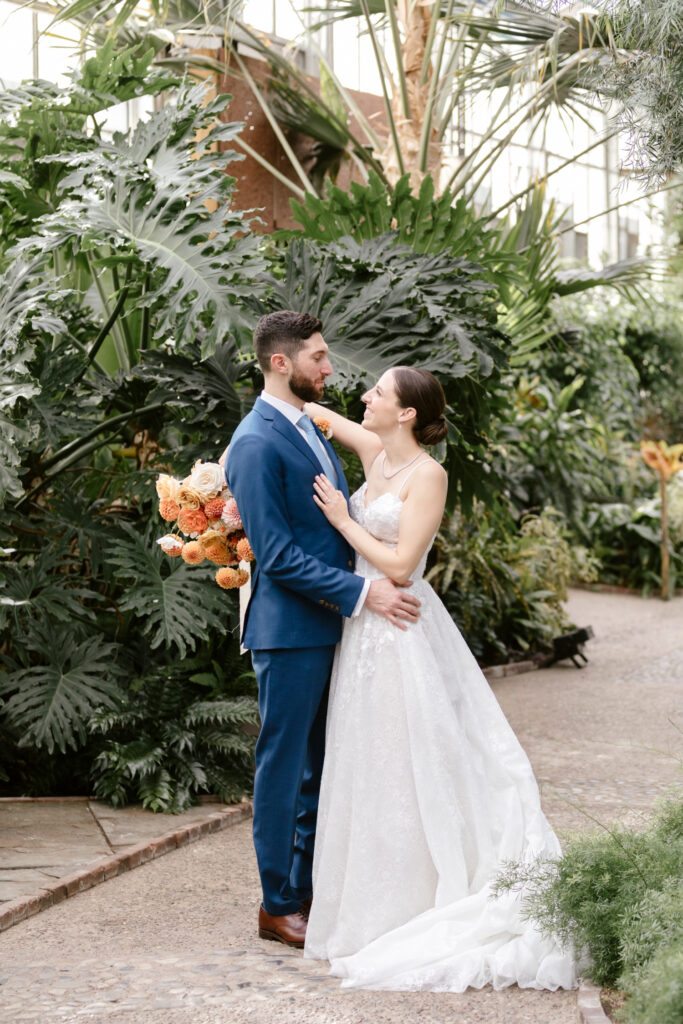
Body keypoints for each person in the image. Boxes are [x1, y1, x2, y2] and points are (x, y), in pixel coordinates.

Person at [301, 366, 577, 993]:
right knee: (365, 760)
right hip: (363, 632)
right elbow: (315, 416)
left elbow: (400, 565)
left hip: (402, 629)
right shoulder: (374, 451)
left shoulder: (429, 475)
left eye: (377, 392)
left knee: (409, 757)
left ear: (405, 414)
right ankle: (366, 906)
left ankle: (421, 898)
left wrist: (345, 521)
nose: (364, 397)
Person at [224, 311, 421, 950]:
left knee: (319, 767)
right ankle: (277, 904)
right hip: (289, 631)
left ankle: (310, 890)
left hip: (332, 627)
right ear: (281, 363)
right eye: (319, 357)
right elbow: (277, 556)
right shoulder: (255, 442)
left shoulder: (310, 426)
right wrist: (365, 592)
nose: (330, 368)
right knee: (284, 767)